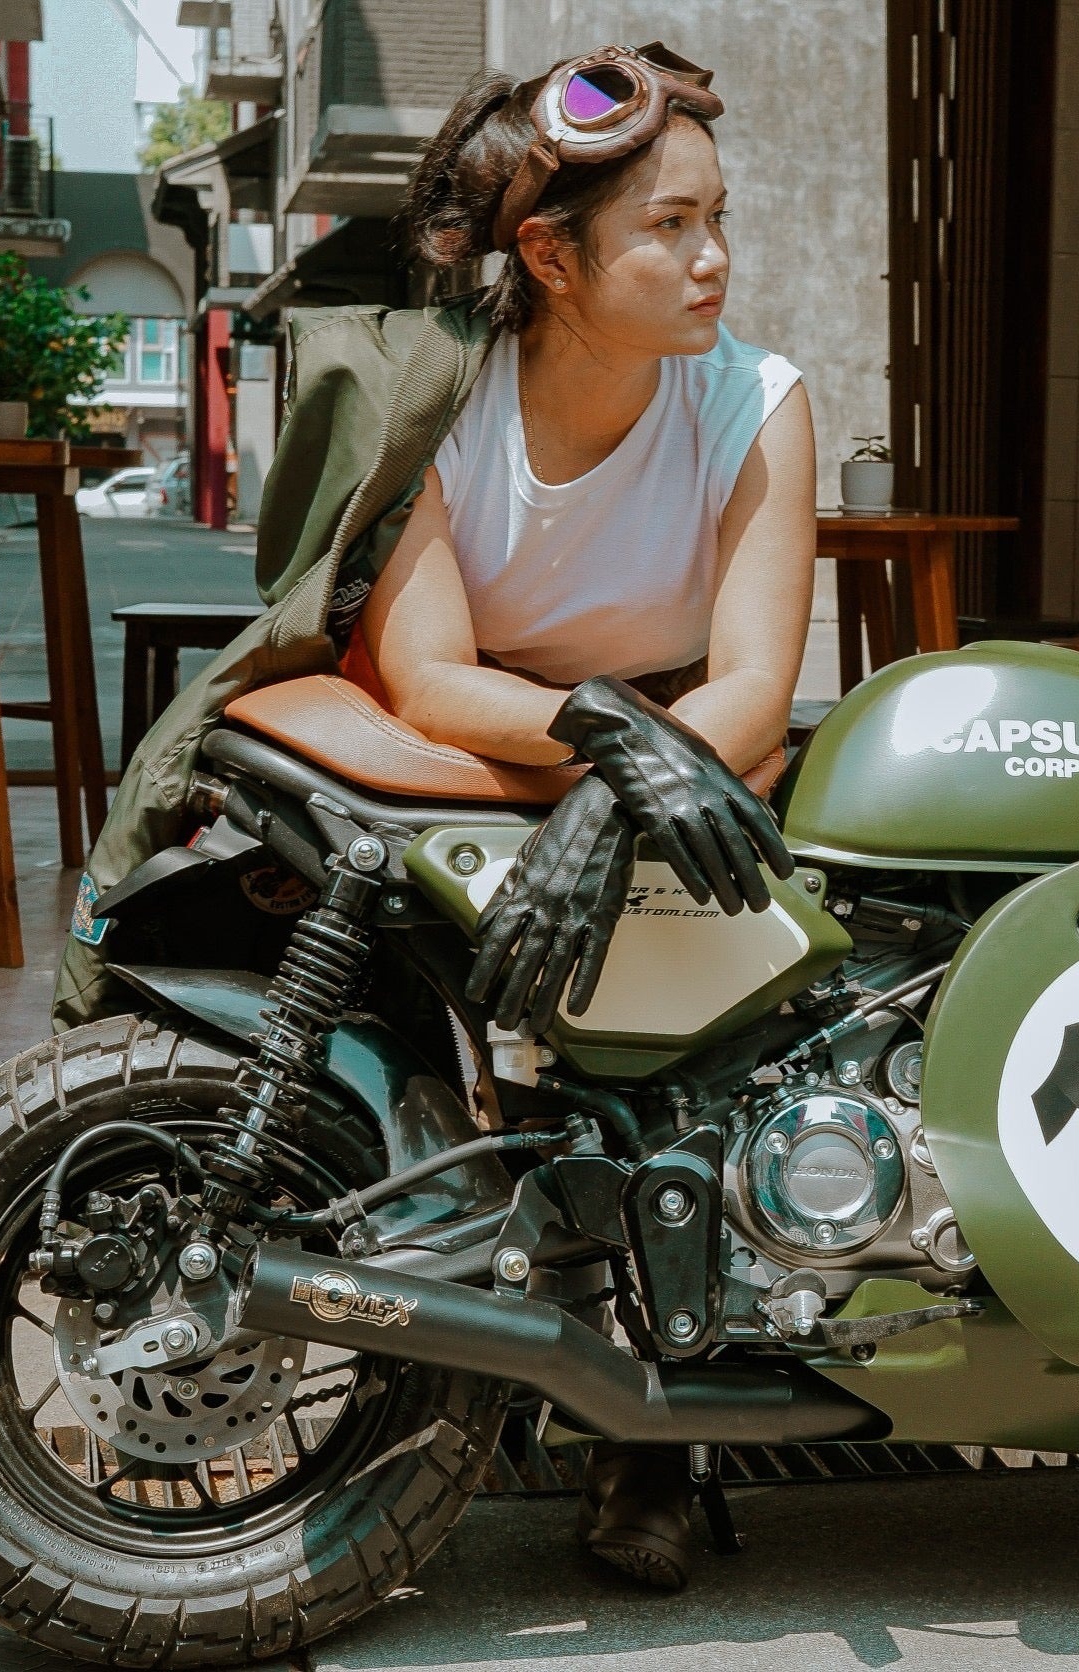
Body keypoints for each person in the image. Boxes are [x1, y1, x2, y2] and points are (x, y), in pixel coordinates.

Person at [377, 43, 814, 1592]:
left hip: (694, 757)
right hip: (487, 760)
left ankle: (660, 1429)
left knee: (687, 1063)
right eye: (669, 228)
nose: (712, 259)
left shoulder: (756, 399)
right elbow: (426, 673)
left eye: (719, 220)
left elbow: (756, 685)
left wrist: (629, 785)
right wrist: (598, 745)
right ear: (553, 260)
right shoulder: (446, 398)